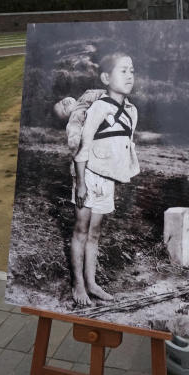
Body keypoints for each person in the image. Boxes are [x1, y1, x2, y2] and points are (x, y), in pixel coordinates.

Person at [68, 52, 140, 306]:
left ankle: (92, 283)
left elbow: (123, 148)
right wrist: (81, 184)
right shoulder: (99, 107)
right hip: (88, 177)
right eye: (123, 71)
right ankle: (78, 285)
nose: (130, 75)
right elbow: (82, 148)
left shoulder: (131, 111)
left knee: (95, 233)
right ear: (106, 78)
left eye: (132, 70)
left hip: (106, 181)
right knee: (81, 230)